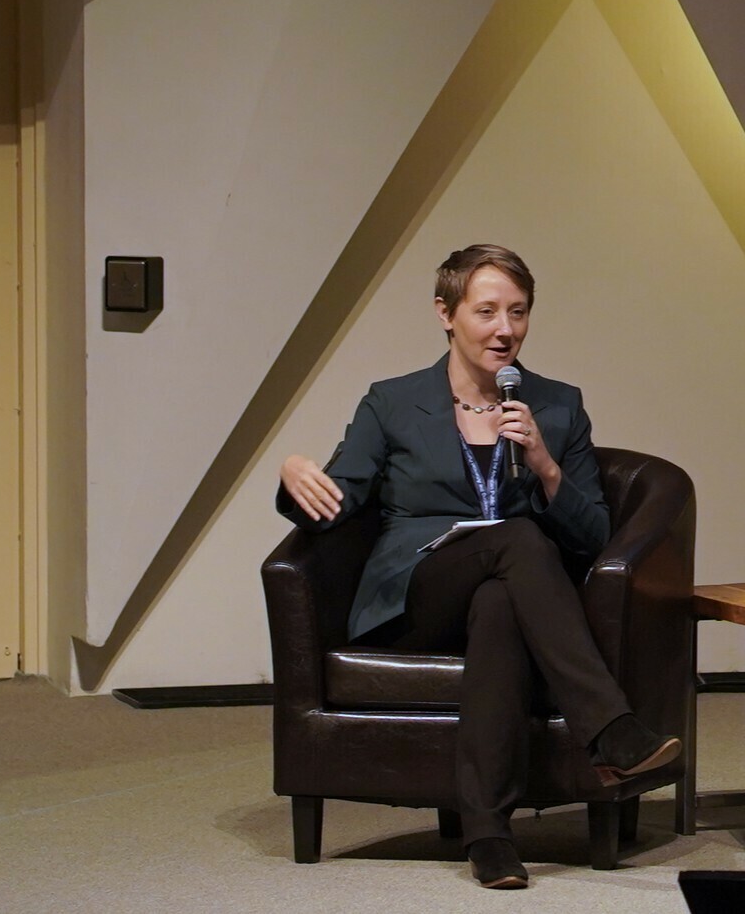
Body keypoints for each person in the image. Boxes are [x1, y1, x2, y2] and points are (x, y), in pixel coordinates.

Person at [276, 244, 680, 890]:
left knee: (501, 600)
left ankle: (489, 836)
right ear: (446, 313)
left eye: (518, 312)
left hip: (515, 595)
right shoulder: (392, 402)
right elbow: (337, 503)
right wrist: (295, 473)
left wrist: (545, 466)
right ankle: (609, 728)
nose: (505, 330)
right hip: (417, 596)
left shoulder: (556, 405)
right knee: (516, 539)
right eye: (486, 311)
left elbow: (593, 538)